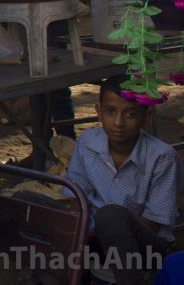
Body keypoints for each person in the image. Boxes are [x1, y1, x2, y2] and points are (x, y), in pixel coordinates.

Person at [64, 76, 180, 285]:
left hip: (144, 247)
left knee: (110, 216)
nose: (118, 122)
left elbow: (152, 224)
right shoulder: (87, 142)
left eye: (131, 114)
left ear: (147, 116)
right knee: (28, 202)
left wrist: (93, 236)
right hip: (92, 237)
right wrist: (76, 232)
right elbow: (77, 196)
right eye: (110, 112)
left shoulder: (162, 156)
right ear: (98, 111)